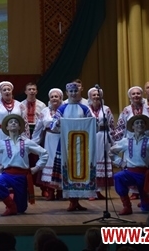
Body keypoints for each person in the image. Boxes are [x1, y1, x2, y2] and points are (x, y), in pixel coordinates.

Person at [0, 114, 48, 215]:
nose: (13, 123)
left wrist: (37, 167)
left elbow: (44, 153)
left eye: (16, 122)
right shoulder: (2, 143)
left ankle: (15, 203)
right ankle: (10, 206)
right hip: (7, 174)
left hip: (22, 177)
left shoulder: (27, 142)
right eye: (10, 122)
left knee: (21, 209)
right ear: (7, 127)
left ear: (19, 127)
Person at [110, 115, 149, 215]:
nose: (140, 124)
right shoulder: (126, 141)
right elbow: (111, 152)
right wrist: (120, 162)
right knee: (118, 177)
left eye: (142, 123)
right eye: (137, 123)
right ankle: (127, 206)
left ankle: (145, 202)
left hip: (144, 175)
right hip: (130, 172)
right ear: (132, 127)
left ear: (145, 126)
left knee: (148, 209)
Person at [50, 82, 94, 211]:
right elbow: (53, 126)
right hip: (66, 144)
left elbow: (93, 125)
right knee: (68, 170)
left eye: (75, 91)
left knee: (79, 170)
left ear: (79, 92)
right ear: (67, 93)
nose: (73, 93)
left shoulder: (85, 108)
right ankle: (72, 201)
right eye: (71, 91)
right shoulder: (62, 108)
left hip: (81, 145)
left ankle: (76, 201)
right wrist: (58, 122)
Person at [31, 88, 63, 201]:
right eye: (52, 97)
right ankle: (50, 191)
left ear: (60, 98)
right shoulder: (45, 111)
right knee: (49, 162)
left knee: (60, 164)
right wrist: (34, 143)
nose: (54, 98)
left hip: (62, 139)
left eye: (56, 96)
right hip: (49, 138)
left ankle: (60, 191)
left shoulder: (65, 109)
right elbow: (38, 127)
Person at [87, 86, 115, 200]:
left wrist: (113, 141)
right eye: (94, 95)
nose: (96, 97)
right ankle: (91, 191)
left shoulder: (106, 109)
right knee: (91, 162)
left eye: (98, 95)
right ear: (90, 97)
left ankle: (98, 191)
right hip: (90, 136)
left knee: (102, 162)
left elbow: (111, 124)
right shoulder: (86, 109)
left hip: (103, 137)